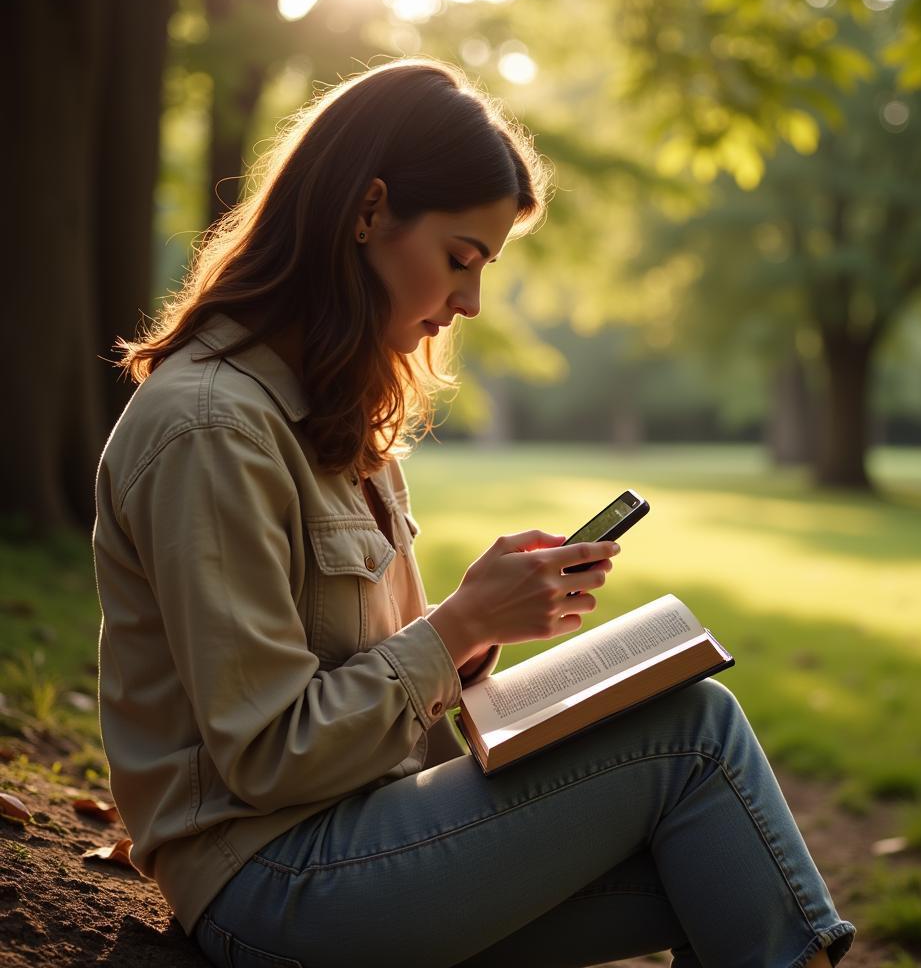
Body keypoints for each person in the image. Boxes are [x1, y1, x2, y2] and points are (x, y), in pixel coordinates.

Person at [92, 58, 855, 968]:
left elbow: (356, 677)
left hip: (364, 835)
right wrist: (453, 629)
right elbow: (267, 756)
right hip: (272, 884)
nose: (470, 302)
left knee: (717, 860)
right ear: (367, 212)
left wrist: (474, 637)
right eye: (460, 260)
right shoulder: (214, 428)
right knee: (697, 736)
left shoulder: (330, 413)